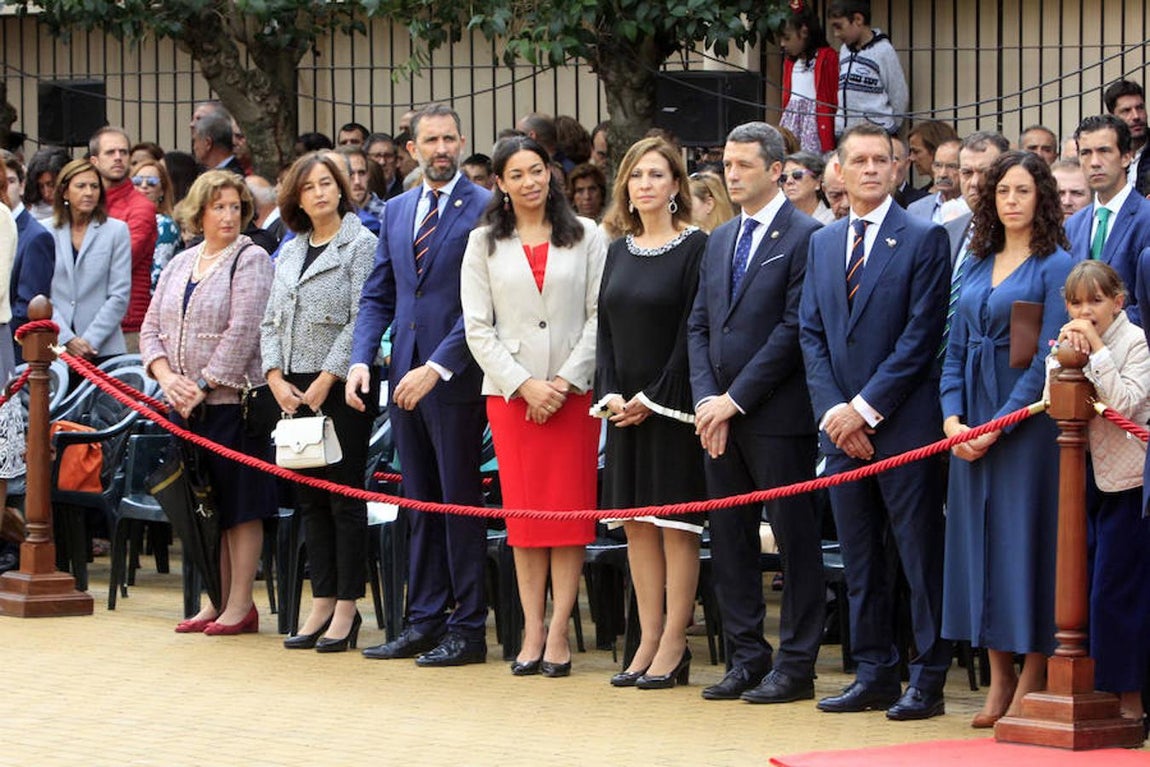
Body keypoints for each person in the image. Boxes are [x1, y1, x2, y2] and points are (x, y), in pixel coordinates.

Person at [799, 123, 952, 720]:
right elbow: (811, 334)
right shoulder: (823, 241)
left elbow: (920, 337)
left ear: (897, 169)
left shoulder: (923, 238)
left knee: (916, 558)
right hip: (840, 433)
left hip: (904, 427)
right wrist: (835, 413)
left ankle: (928, 678)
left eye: (880, 160)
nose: (869, 169)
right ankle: (874, 672)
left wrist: (863, 409)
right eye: (857, 160)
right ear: (838, 169)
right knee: (860, 559)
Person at [348, 104, 491, 667]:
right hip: (400, 374)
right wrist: (363, 358)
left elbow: (483, 306)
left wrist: (438, 364)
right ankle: (424, 620)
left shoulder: (484, 207)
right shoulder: (398, 209)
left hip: (453, 377)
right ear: (412, 148)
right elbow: (380, 293)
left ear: (460, 142)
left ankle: (468, 627)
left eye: (449, 139)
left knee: (459, 503)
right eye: (429, 140)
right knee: (418, 500)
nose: (440, 148)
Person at [688, 122, 825, 705]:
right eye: (727, 164)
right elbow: (698, 324)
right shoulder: (719, 238)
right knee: (731, 540)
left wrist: (734, 399)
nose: (732, 174)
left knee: (794, 542)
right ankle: (747, 656)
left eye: (744, 164)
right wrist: (704, 401)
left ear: (777, 170)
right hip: (717, 419)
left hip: (775, 416)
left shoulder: (807, 236)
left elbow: (794, 329)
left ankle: (796, 665)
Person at [461, 135, 605, 678]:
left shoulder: (588, 235)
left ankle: (561, 629)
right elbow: (477, 327)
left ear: (552, 174)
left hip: (572, 396)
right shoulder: (482, 244)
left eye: (538, 170)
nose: (530, 181)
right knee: (525, 522)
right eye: (517, 173)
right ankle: (531, 628)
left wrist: (564, 382)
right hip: (512, 398)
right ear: (499, 183)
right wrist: (524, 385)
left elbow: (599, 316)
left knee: (569, 518)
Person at [940, 150, 1074, 726]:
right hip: (968, 427)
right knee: (980, 552)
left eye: (1023, 191)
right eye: (1002, 192)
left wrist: (996, 427)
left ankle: (1034, 676)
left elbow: (1046, 360)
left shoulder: (1057, 265)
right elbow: (950, 350)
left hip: (1027, 432)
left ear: (1041, 197)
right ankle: (1000, 679)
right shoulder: (973, 259)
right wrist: (952, 422)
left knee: (1026, 547)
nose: (1012, 201)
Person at [140, 170, 277, 636]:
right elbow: (150, 327)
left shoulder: (252, 258)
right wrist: (165, 376)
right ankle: (212, 599)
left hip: (230, 403)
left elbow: (244, 331)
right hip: (182, 405)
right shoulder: (181, 262)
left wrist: (200, 383)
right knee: (201, 505)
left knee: (240, 506)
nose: (228, 216)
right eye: (218, 207)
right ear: (199, 213)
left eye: (236, 207)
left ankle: (240, 604)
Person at [593, 137, 705, 689]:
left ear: (676, 186)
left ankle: (675, 642)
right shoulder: (617, 249)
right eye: (637, 176)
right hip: (623, 411)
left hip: (672, 410)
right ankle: (647, 636)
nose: (646, 185)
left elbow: (693, 332)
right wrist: (612, 394)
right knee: (637, 526)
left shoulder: (696, 248)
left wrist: (653, 398)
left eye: (657, 175)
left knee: (675, 527)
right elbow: (605, 332)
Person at [261, 152, 379, 653]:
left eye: (327, 183)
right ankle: (321, 597)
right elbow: (269, 320)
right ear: (296, 197)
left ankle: (348, 605)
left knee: (343, 497)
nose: (320, 193)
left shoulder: (362, 244)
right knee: (309, 499)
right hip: (289, 389)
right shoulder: (287, 251)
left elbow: (363, 316)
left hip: (341, 386)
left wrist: (329, 377)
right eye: (308, 187)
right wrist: (272, 377)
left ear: (341, 188)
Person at [1052, 261, 1150, 725]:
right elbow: (1052, 397)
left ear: (1118, 302)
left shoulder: (1136, 342)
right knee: (1081, 581)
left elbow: (1125, 403)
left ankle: (1128, 691)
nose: (1085, 311)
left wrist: (1095, 351)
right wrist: (1063, 355)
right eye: (1076, 302)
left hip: (1128, 483)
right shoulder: (1066, 338)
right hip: (1079, 478)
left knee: (1116, 588)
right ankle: (1091, 685)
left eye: (1095, 300)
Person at [1065, 115, 1150, 328]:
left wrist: (1100, 329)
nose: (1094, 162)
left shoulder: (1146, 217)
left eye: (1104, 151)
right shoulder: (1072, 225)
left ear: (1126, 157)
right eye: (1086, 153)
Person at [48, 158, 132, 363]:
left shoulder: (116, 231)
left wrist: (88, 341)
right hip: (56, 347)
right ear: (65, 192)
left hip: (102, 348)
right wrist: (67, 338)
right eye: (81, 186)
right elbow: (40, 294)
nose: (88, 192)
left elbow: (119, 294)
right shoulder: (44, 231)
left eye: (94, 186)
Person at [88, 127, 157, 351]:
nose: (118, 157)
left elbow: (121, 261)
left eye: (123, 152)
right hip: (86, 319)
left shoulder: (141, 207)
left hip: (127, 326)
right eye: (110, 152)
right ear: (94, 161)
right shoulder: (89, 203)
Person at [829, 0, 908, 139]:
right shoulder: (844, 51)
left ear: (858, 19)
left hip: (875, 135)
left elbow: (898, 94)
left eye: (839, 26)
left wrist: (890, 128)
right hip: (846, 134)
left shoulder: (883, 51)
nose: (836, 34)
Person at [3, 150, 54, 347]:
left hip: (11, 351)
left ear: (22, 186)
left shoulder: (36, 237)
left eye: (10, 181)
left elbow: (27, 308)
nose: (3, 188)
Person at [779, 5, 838, 153]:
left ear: (804, 31)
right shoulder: (790, 62)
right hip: (791, 125)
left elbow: (833, 97)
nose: (782, 44)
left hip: (816, 126)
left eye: (787, 38)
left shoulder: (826, 57)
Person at [129, 159, 182, 289]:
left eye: (152, 182)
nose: (144, 185)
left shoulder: (165, 226)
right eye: (137, 181)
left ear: (162, 191)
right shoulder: (121, 220)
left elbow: (157, 277)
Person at [1103, 80, 1150, 195]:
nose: (1136, 116)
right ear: (1113, 117)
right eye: (1126, 111)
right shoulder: (1106, 155)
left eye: (1140, 108)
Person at [908, 139, 962, 223]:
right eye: (938, 166)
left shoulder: (974, 208)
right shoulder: (915, 209)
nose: (942, 174)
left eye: (951, 166)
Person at [780, 151, 834, 224]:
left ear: (818, 182)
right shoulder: (780, 223)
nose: (789, 181)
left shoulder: (833, 220)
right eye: (784, 177)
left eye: (797, 174)